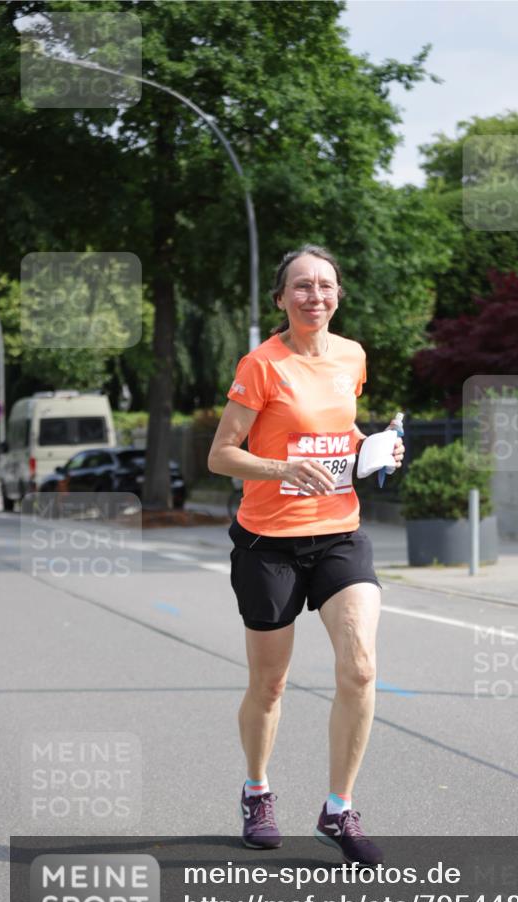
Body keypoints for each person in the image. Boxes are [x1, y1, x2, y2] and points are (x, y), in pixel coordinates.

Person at [208, 245, 404, 866]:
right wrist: (281, 467)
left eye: (324, 285)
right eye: (301, 286)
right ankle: (257, 789)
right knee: (270, 684)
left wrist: (372, 448)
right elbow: (221, 454)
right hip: (269, 542)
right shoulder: (262, 365)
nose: (314, 295)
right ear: (281, 299)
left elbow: (337, 430)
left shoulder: (352, 357)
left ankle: (339, 808)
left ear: (338, 294)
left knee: (362, 668)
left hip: (339, 532)